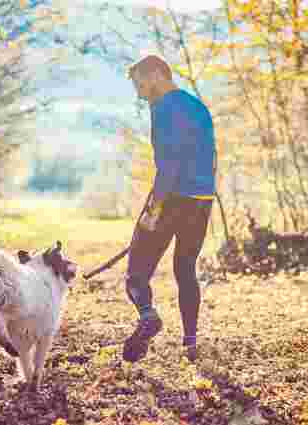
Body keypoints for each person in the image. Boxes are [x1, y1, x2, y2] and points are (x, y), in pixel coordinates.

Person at [122, 54, 216, 363]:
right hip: (202, 199)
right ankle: (190, 341)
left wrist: (155, 207)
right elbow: (210, 157)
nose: (138, 92)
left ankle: (148, 315)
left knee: (136, 273)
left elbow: (169, 163)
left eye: (139, 84)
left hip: (172, 197)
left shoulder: (162, 108)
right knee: (185, 269)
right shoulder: (198, 106)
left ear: (156, 75)